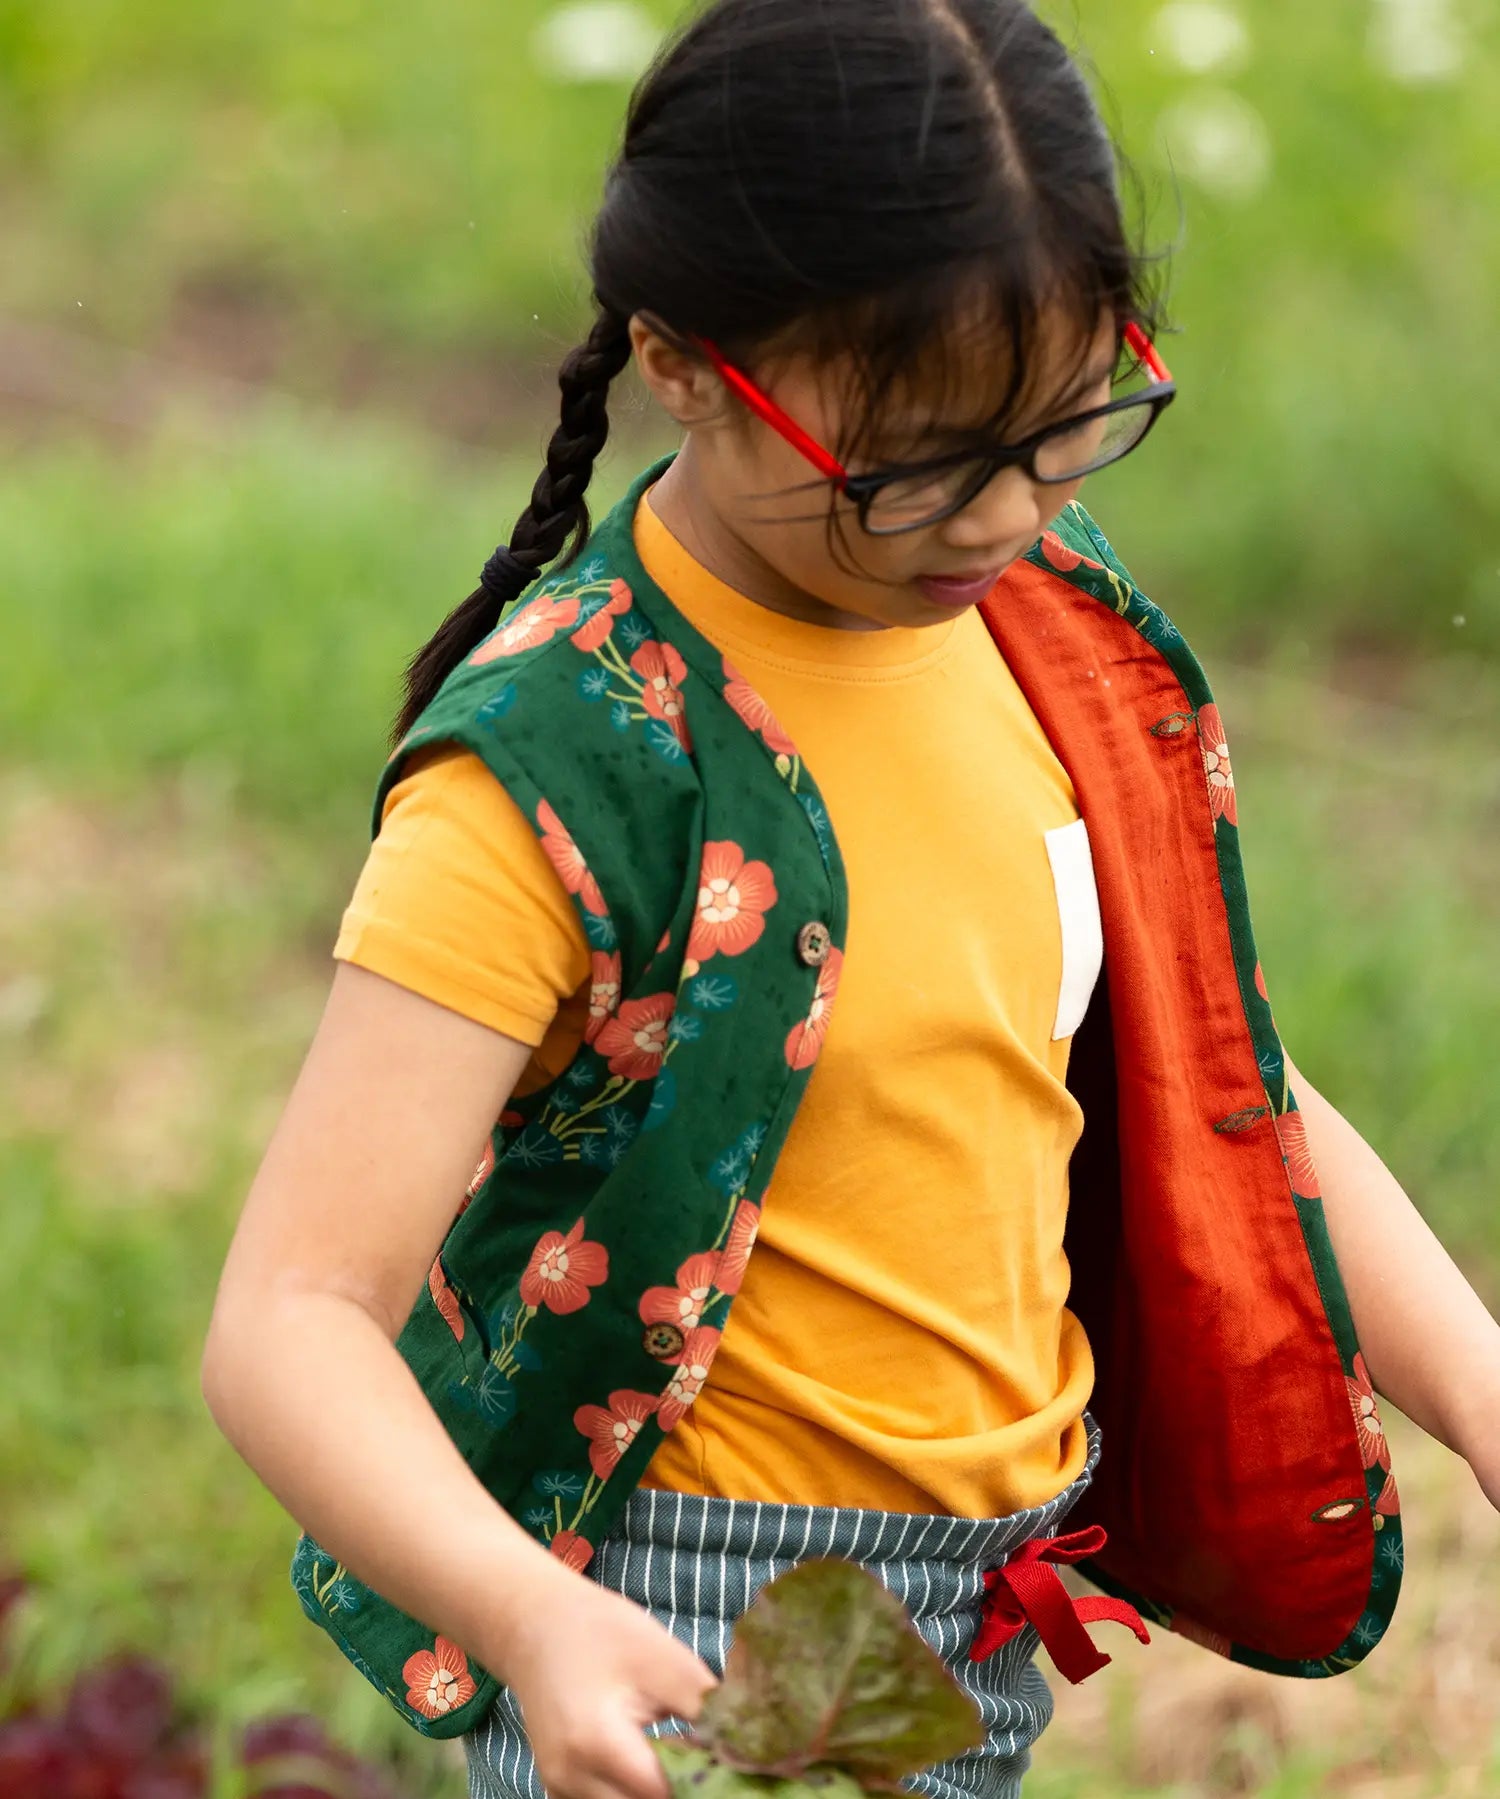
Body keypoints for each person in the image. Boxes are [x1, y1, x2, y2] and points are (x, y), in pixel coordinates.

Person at [198, 3, 1500, 1797]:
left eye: (1058, 429)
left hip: (976, 1615)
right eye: (915, 460)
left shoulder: (1042, 635)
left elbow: (1220, 1089)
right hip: (693, 1632)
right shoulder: (567, 769)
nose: (997, 515)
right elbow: (289, 1318)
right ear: (679, 360)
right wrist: (527, 1615)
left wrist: (1484, 1392)